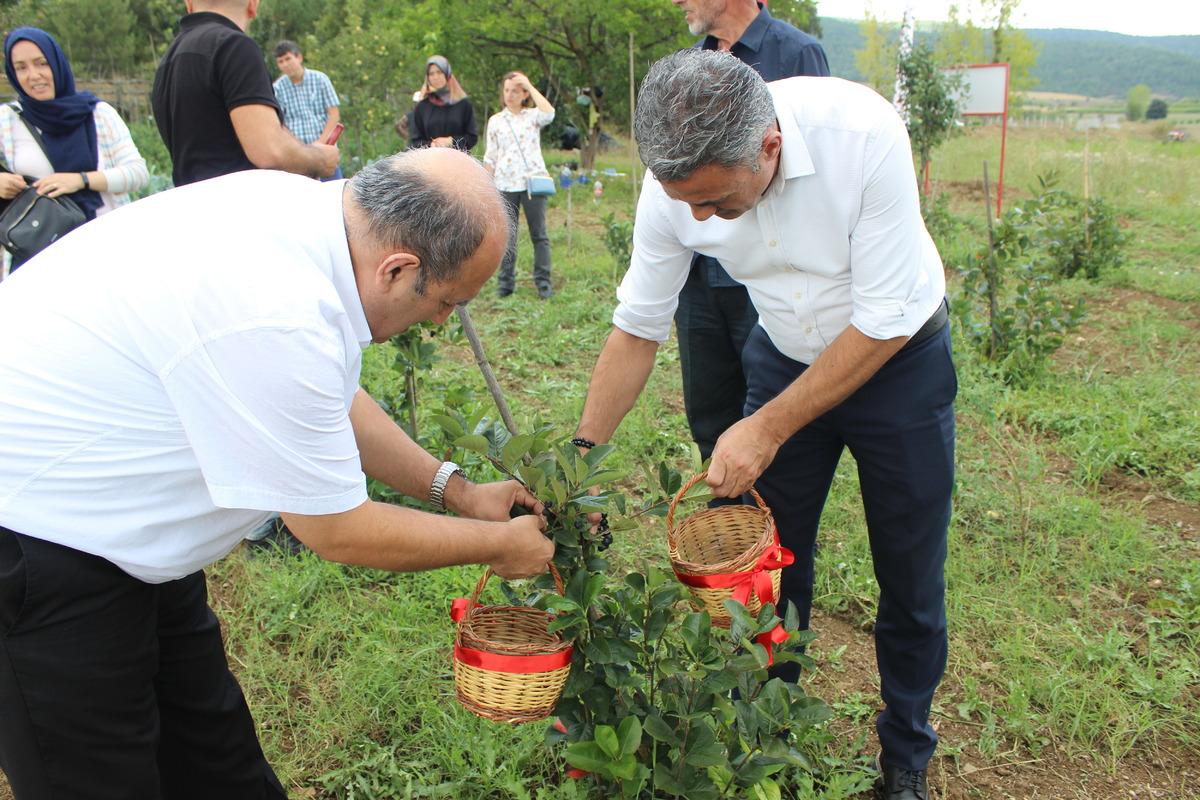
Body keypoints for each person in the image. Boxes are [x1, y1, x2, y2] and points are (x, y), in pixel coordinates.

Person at [0, 148, 554, 799]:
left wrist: (456, 492)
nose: (440, 322)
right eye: (446, 302)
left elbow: (331, 396)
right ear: (398, 268)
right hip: (37, 539)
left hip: (128, 539)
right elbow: (336, 529)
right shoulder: (276, 303)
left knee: (215, 758)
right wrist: (500, 546)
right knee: (99, 779)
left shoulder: (315, 224)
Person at [573, 51, 953, 800]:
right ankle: (760, 733)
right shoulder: (673, 192)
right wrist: (582, 458)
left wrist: (766, 427)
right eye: (688, 204)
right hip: (783, 351)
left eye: (716, 203)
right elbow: (637, 329)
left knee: (909, 573)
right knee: (762, 567)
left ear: (768, 148)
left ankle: (905, 755)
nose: (701, 220)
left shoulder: (863, 134)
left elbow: (880, 323)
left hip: (899, 361)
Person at [672, 0, 830, 468]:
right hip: (699, 274)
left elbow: (814, 164)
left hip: (765, 272)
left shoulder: (799, 53)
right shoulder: (687, 68)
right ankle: (728, 522)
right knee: (708, 405)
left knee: (766, 402)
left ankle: (776, 525)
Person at [0, 27, 148, 275]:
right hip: (39, 257)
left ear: (57, 63)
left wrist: (81, 180)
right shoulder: (8, 120)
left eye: (41, 63)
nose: (34, 75)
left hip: (106, 247)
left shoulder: (98, 114)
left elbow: (137, 173)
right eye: (21, 67)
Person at [151, 0, 338, 186]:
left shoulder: (167, 62)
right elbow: (269, 150)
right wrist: (320, 159)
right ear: (253, 5)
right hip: (243, 205)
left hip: (194, 206)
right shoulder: (233, 46)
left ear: (189, 3)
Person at [483, 71, 555, 299]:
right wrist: (485, 186)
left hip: (532, 183)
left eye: (515, 90)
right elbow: (490, 156)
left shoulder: (533, 116)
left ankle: (543, 283)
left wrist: (529, 84)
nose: (510, 95)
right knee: (507, 236)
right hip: (505, 184)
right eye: (506, 90)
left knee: (539, 234)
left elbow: (550, 113)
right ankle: (505, 284)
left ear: (524, 94)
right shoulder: (496, 121)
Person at [273, 39, 343, 180]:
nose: (285, 64)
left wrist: (319, 144)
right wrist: (299, 149)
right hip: (298, 157)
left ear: (299, 57)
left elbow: (334, 115)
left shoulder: (320, 79)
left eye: (288, 59)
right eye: (281, 61)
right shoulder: (278, 88)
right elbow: (279, 124)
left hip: (325, 150)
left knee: (333, 193)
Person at [409, 55, 478, 152]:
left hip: (458, 161)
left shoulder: (463, 104)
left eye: (439, 72)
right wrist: (432, 145)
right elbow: (414, 141)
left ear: (447, 74)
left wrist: (451, 141)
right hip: (429, 161)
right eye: (431, 74)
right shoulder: (422, 107)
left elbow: (472, 137)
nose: (435, 77)